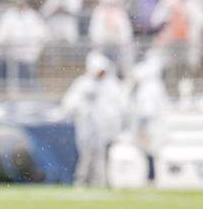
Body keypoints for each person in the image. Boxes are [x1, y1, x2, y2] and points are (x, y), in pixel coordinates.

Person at [62, 51, 126, 187]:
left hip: (106, 130)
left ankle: (103, 182)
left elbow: (119, 106)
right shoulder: (82, 84)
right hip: (86, 128)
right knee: (86, 156)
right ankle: (82, 181)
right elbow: (69, 104)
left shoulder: (112, 85)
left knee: (104, 157)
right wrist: (83, 105)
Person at [128, 52, 168, 181]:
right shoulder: (156, 86)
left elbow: (147, 111)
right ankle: (151, 177)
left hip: (150, 126)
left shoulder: (148, 88)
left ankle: (151, 177)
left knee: (149, 153)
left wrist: (141, 128)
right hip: (155, 124)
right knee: (150, 153)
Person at [0, 0, 47, 88]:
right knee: (11, 80)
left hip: (30, 57)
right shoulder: (8, 16)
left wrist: (35, 51)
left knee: (30, 80)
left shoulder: (33, 16)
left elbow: (43, 35)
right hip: (11, 58)